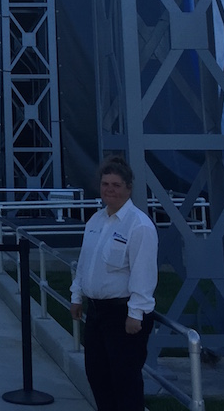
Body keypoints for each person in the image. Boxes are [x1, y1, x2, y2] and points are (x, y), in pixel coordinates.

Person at [69, 156, 159, 411]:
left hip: (123, 314)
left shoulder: (139, 226)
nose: (110, 189)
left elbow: (143, 274)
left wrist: (135, 313)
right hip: (97, 313)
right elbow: (85, 262)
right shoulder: (95, 221)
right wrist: (76, 296)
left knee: (125, 381)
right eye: (105, 184)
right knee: (97, 374)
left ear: (128, 188)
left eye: (116, 185)